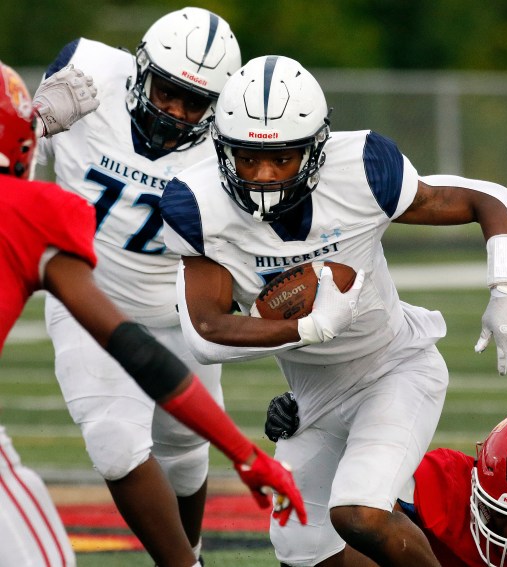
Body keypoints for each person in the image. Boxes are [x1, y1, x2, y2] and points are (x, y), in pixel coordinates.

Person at [160, 54, 507, 567]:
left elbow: (489, 198)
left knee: (360, 514)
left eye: (283, 158)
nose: (264, 175)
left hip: (394, 369)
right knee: (302, 552)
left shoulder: (362, 167)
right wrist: (306, 329)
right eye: (247, 158)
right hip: (310, 395)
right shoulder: (196, 203)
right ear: (222, 149)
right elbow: (205, 334)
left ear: (316, 149)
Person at [0, 61, 305, 567]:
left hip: (171, 310)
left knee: (181, 453)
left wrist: (35, 122)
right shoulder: (29, 210)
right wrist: (246, 454)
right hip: (113, 311)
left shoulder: (225, 147)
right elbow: (132, 350)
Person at [33, 7, 243, 566]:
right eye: (166, 91)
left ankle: (188, 552)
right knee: (114, 442)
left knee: (186, 454)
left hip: (177, 306)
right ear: (139, 69)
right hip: (86, 291)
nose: (174, 111)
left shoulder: (232, 139)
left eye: (193, 102)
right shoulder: (85, 75)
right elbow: (15, 174)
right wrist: (31, 121)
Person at [267, 400, 507, 566]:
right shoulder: (448, 480)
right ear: (476, 481)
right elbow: (354, 482)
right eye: (498, 514)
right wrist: (312, 422)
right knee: (357, 527)